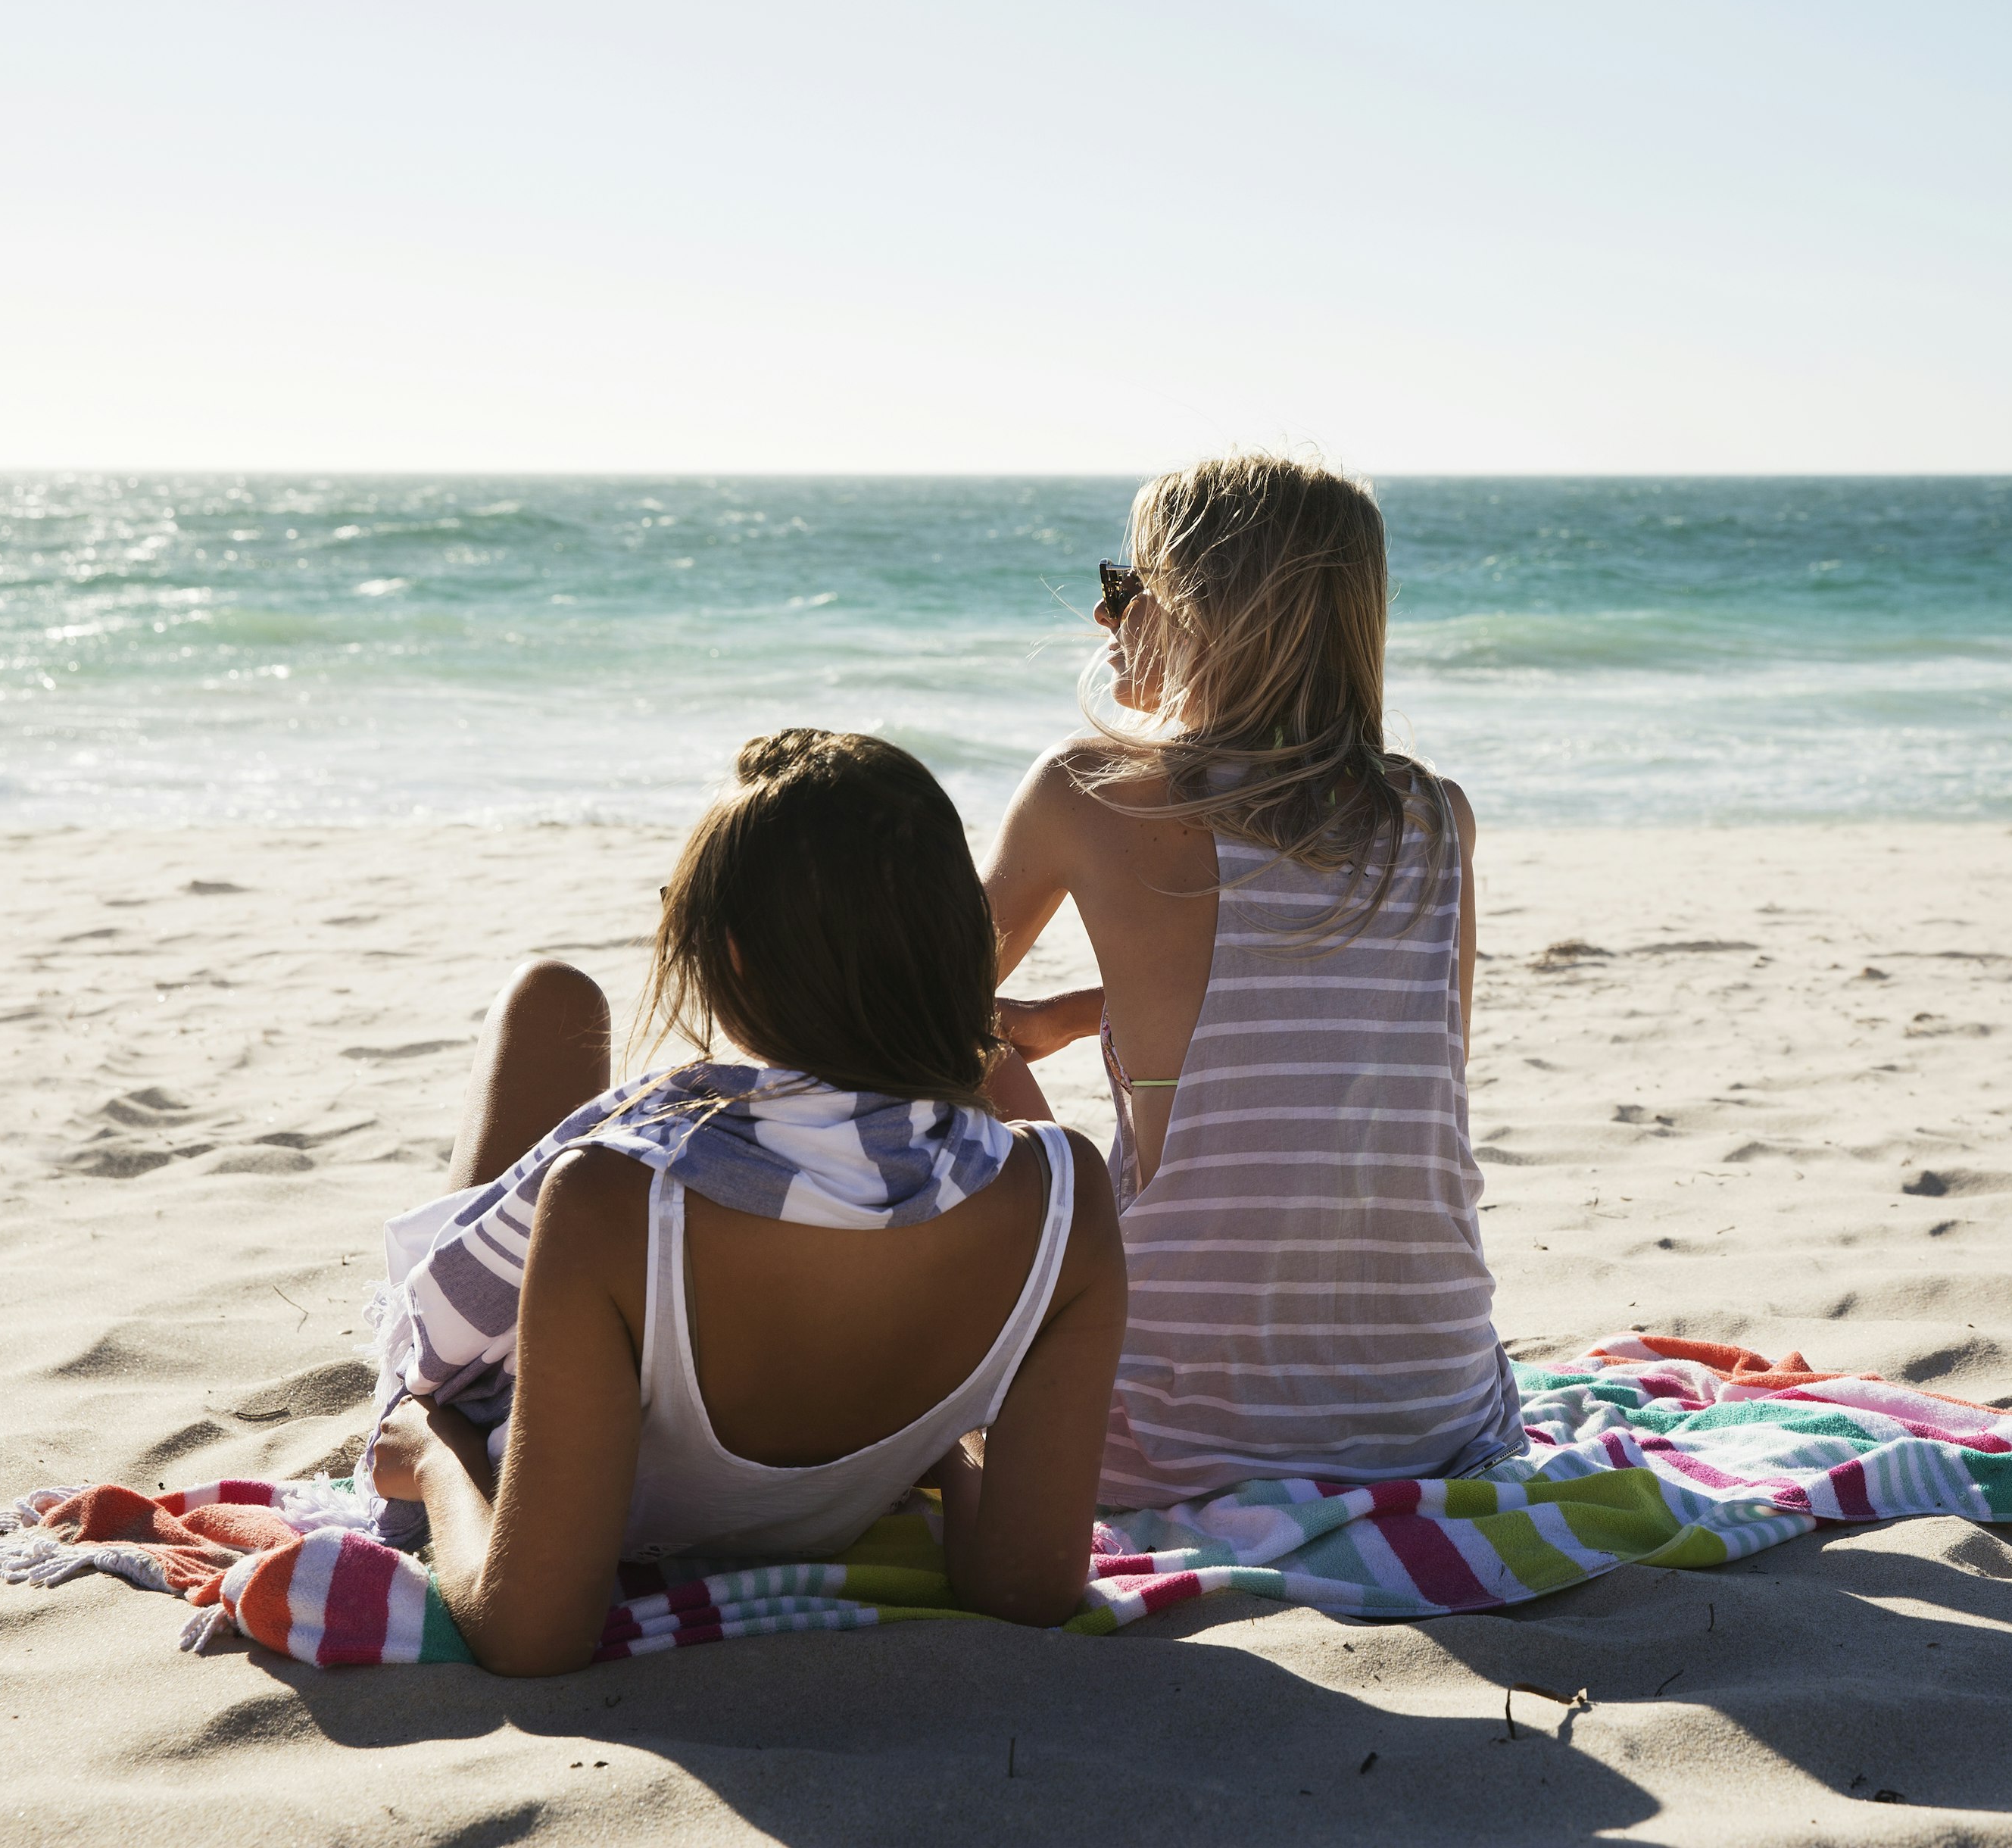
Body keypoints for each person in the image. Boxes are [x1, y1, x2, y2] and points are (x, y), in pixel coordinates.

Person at [366, 732, 1125, 1675]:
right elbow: (1029, 1588)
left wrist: (435, 1456)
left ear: (733, 956)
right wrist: (939, 1433)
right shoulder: (1064, 1200)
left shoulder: (610, 1200)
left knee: (545, 997)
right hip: (851, 1398)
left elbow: (532, 1632)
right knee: (560, 1006)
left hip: (538, 1363)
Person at [981, 452, 1521, 1509]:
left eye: (1123, 586)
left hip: (1170, 1434)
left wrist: (1003, 1057)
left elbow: (888, 999)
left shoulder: (1092, 791)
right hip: (1437, 1417)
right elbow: (1366, 1040)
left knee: (937, 1046)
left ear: (1194, 611)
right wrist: (1071, 1016)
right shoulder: (1436, 818)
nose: (1105, 619)